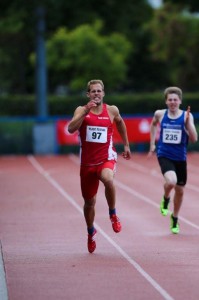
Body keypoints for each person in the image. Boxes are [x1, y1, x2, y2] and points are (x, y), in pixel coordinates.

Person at [68, 79, 131, 253]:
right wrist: (85, 111)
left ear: (103, 93)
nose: (96, 93)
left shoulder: (111, 110)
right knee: (89, 203)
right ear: (88, 94)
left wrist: (126, 145)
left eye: (99, 91)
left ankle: (112, 214)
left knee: (108, 178)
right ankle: (91, 232)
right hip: (87, 164)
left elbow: (120, 122)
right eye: (93, 91)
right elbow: (70, 129)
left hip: (106, 158)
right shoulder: (81, 110)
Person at [149, 87, 198, 234]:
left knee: (180, 191)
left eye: (175, 100)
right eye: (170, 99)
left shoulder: (186, 116)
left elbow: (194, 139)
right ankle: (165, 199)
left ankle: (175, 217)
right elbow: (153, 125)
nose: (172, 102)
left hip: (180, 158)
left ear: (180, 101)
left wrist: (188, 122)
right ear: (166, 101)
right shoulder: (160, 114)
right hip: (164, 154)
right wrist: (152, 143)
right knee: (171, 181)